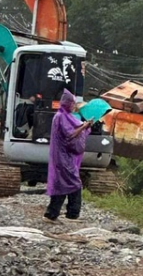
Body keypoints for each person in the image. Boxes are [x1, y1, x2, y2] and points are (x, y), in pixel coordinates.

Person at [43, 89, 93, 223]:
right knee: (74, 183)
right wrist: (84, 126)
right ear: (66, 103)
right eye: (71, 103)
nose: (73, 105)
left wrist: (85, 126)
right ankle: (73, 213)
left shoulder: (65, 116)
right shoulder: (61, 117)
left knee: (62, 184)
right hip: (62, 157)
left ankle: (52, 213)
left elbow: (75, 131)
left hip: (64, 156)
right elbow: (70, 134)